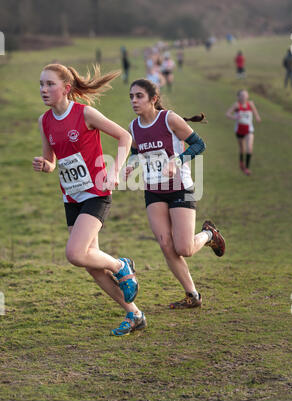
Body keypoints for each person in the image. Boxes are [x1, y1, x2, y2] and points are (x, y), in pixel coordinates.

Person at [33, 63, 146, 337]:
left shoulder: (85, 114)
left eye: (50, 84)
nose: (44, 90)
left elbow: (124, 136)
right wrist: (46, 166)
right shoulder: (44, 121)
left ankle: (122, 266)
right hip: (71, 196)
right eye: (41, 84)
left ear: (66, 88)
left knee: (75, 254)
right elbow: (52, 159)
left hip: (96, 192)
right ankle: (135, 314)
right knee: (89, 264)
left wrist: (115, 170)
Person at [124, 79, 225, 310]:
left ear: (153, 99)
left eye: (139, 96)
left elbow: (199, 145)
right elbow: (135, 151)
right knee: (165, 245)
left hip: (181, 188)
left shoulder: (168, 119)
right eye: (131, 96)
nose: (134, 101)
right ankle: (193, 295)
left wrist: (177, 161)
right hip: (153, 191)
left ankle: (209, 235)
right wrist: (131, 164)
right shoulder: (134, 127)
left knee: (184, 249)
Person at [226, 89, 261, 176]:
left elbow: (255, 111)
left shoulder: (250, 104)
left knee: (250, 148)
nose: (244, 97)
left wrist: (257, 117)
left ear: (248, 96)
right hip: (239, 130)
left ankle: (247, 168)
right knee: (242, 149)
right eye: (242, 95)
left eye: (245, 95)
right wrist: (235, 117)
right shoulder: (236, 105)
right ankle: (241, 162)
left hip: (249, 130)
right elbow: (227, 114)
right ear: (238, 97)